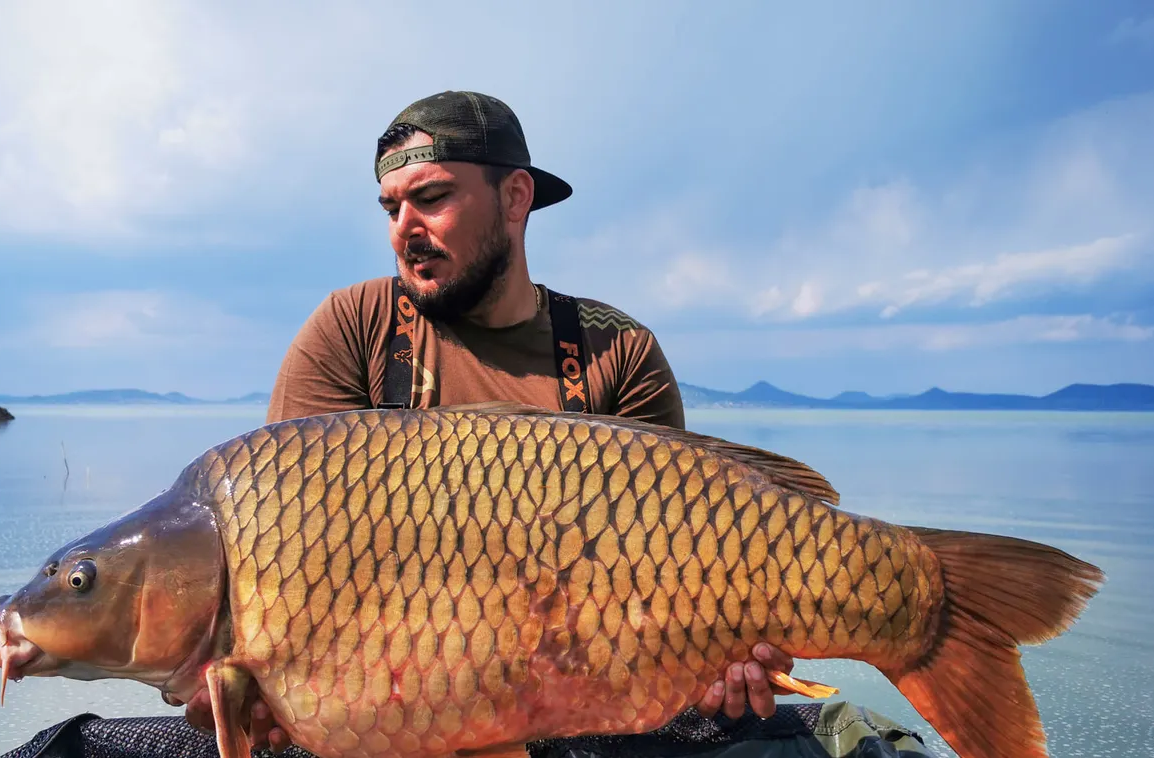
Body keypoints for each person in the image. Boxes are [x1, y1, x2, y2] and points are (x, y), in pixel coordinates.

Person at [179, 90, 934, 758]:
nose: (403, 229)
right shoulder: (356, 329)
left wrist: (723, 667)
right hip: (400, 721)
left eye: (432, 198)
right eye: (390, 207)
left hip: (580, 709)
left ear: (514, 197)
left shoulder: (614, 351)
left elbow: (695, 560)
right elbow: (286, 560)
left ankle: (926, 611)